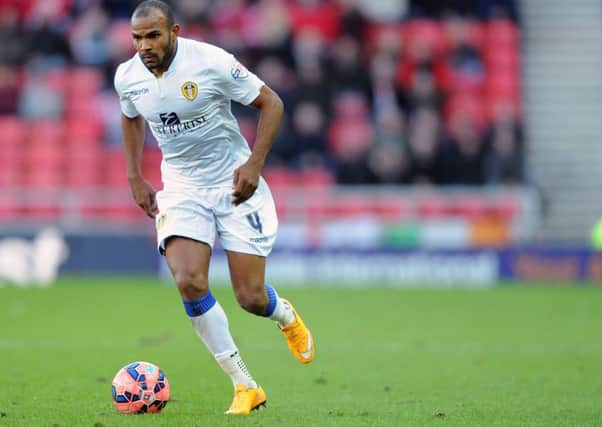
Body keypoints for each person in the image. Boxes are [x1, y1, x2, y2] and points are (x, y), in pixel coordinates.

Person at [113, 0, 314, 416]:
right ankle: (245, 385)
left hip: (233, 183)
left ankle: (285, 315)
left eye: (153, 35)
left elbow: (271, 102)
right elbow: (131, 117)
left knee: (250, 297)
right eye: (137, 37)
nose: (144, 45)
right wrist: (135, 175)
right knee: (188, 280)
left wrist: (254, 164)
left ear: (175, 32)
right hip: (182, 188)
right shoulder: (127, 76)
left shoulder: (211, 62)